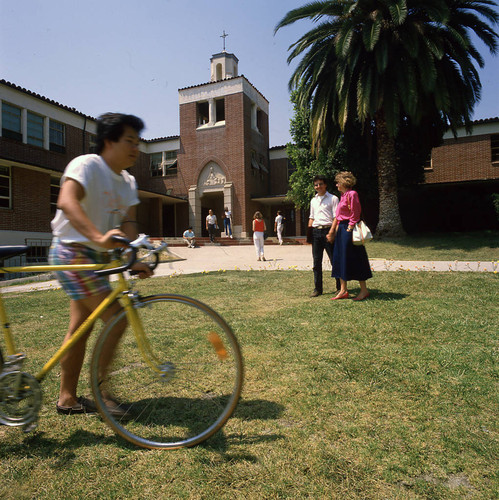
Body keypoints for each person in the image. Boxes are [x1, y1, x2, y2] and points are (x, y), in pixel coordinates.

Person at [49, 113, 153, 416]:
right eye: (129, 141)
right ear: (109, 141)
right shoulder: (86, 165)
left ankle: (67, 399)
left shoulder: (128, 181)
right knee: (117, 318)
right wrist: (99, 236)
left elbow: (129, 221)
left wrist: (133, 257)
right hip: (72, 252)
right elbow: (67, 202)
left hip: (95, 257)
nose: (136, 148)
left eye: (138, 142)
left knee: (80, 327)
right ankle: (102, 394)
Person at [331, 171, 372, 301]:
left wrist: (349, 227)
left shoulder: (352, 194)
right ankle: (343, 290)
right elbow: (338, 216)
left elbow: (356, 212)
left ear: (344, 182)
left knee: (356, 258)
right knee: (340, 258)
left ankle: (364, 290)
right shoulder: (343, 196)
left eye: (338, 182)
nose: (336, 184)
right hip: (341, 230)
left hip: (349, 229)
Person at [308, 175, 341, 297]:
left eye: (320, 184)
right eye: (316, 184)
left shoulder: (333, 199)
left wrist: (332, 233)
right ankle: (317, 289)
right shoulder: (313, 200)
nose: (318, 186)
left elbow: (336, 217)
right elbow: (311, 217)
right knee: (316, 262)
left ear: (325, 185)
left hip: (328, 231)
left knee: (334, 260)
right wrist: (309, 234)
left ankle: (339, 287)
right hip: (316, 232)